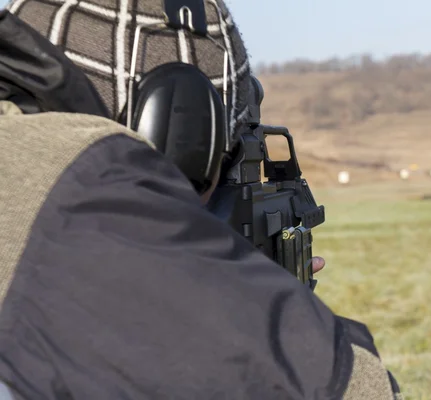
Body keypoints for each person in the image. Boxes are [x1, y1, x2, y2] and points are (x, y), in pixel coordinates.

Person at [0, 0, 402, 399]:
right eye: (221, 163)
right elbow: (354, 388)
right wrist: (250, 303)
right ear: (178, 134)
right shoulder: (71, 208)